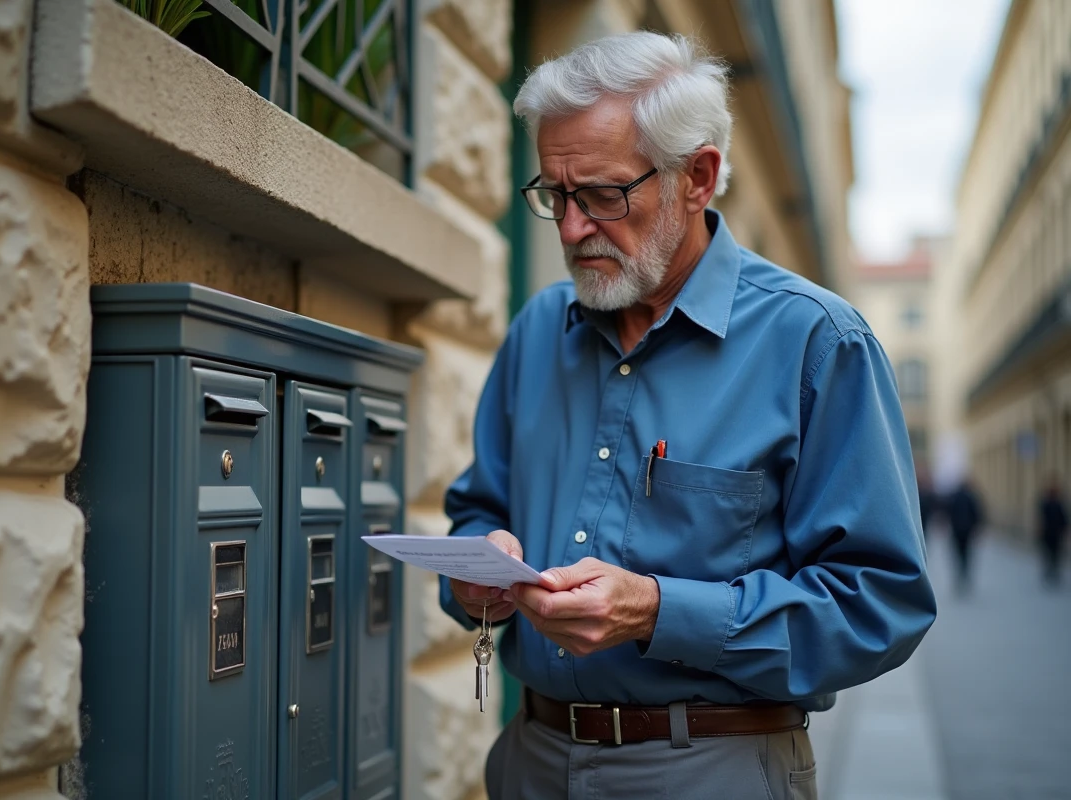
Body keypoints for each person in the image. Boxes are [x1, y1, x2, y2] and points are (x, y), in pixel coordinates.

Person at [437, 32, 936, 800]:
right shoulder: (538, 329)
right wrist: (477, 575)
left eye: (603, 195)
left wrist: (659, 611)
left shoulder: (816, 342)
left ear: (697, 177)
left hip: (712, 771)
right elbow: (477, 512)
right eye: (554, 196)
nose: (572, 229)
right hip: (528, 763)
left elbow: (881, 604)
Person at [946, 478, 982, 594]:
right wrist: (976, 529)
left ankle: (960, 573)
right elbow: (977, 514)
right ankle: (964, 572)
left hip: (956, 530)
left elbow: (948, 512)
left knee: (957, 552)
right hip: (967, 530)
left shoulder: (955, 497)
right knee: (966, 553)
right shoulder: (972, 497)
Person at [1038, 479, 1068, 586]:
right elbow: (1041, 518)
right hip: (1048, 534)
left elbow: (1064, 519)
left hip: (1055, 534)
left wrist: (1065, 529)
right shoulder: (1045, 504)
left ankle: (1053, 572)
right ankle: (1049, 572)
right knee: (1048, 554)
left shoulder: (1058, 504)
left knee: (1055, 555)